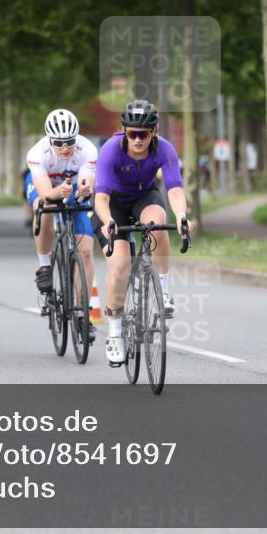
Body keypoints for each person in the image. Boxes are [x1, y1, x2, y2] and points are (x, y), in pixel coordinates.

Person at [93, 100, 188, 365]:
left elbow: (175, 189)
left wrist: (181, 215)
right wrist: (109, 220)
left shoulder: (164, 149)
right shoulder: (111, 150)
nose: (137, 139)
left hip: (144, 196)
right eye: (132, 133)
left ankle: (165, 292)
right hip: (111, 204)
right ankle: (114, 332)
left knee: (158, 223)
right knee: (120, 264)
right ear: (124, 131)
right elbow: (100, 198)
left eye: (143, 134)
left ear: (154, 131)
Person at [25, 109, 98, 338]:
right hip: (46, 186)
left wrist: (85, 189)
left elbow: (87, 183)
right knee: (43, 208)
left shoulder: (88, 149)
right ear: (49, 139)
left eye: (69, 142)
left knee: (85, 251)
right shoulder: (37, 153)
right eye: (59, 143)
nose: (65, 148)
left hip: (73, 187)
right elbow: (46, 193)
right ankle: (45, 264)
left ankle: (82, 313)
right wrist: (57, 192)